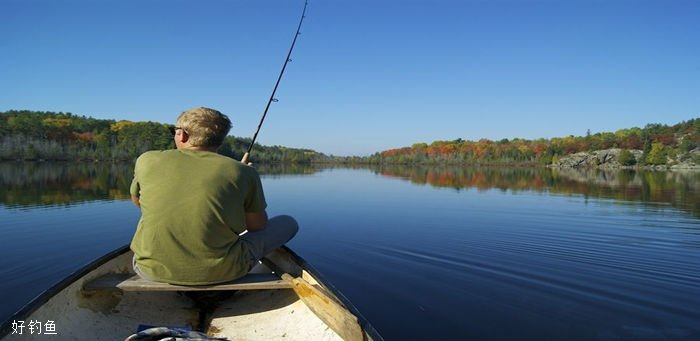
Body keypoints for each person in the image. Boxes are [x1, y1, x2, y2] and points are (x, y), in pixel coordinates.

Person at [129, 107, 298, 285]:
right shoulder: (242, 173)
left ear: (183, 135)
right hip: (225, 272)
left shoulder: (147, 160)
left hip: (149, 270)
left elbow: (138, 201)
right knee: (288, 222)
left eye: (175, 131)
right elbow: (257, 226)